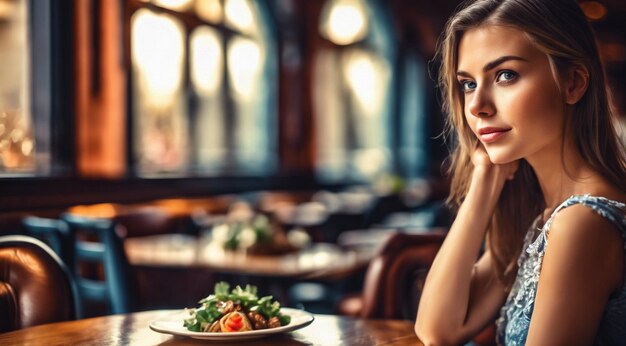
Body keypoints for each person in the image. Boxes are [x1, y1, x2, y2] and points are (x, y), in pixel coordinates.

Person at [414, 0, 626, 344]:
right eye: (468, 83)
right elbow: (437, 330)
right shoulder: (541, 215)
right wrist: (486, 178)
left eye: (505, 75)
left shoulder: (583, 222)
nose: (477, 106)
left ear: (573, 83)